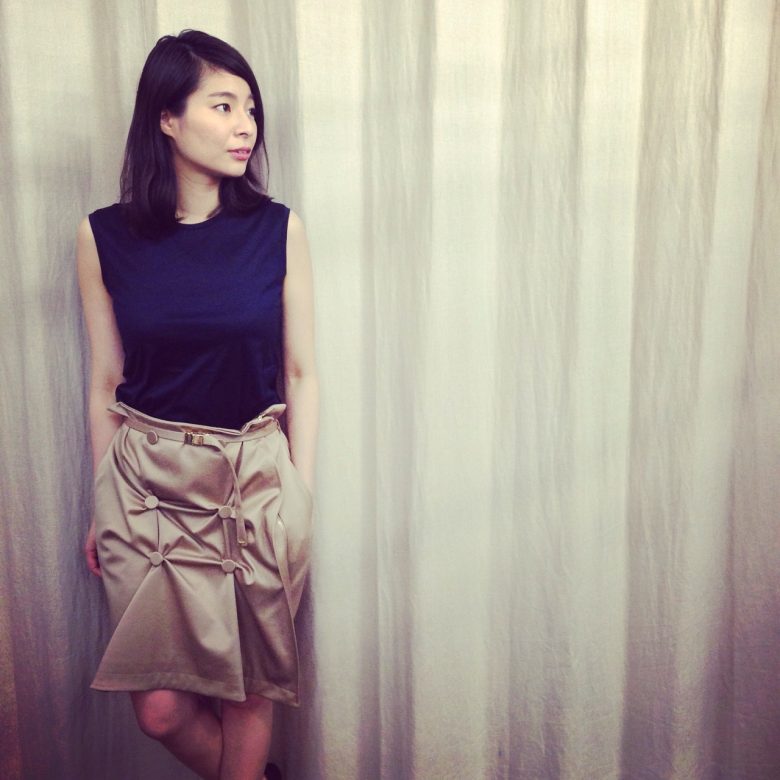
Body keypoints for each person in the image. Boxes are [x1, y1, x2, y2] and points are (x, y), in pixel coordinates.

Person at [76, 29, 317, 780]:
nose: (246, 125)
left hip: (252, 483)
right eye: (223, 105)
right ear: (167, 118)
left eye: (251, 108)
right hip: (144, 490)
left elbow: (301, 372)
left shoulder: (277, 229)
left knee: (248, 690)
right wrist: (102, 500)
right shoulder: (102, 236)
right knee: (160, 710)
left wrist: (299, 494)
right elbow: (106, 379)